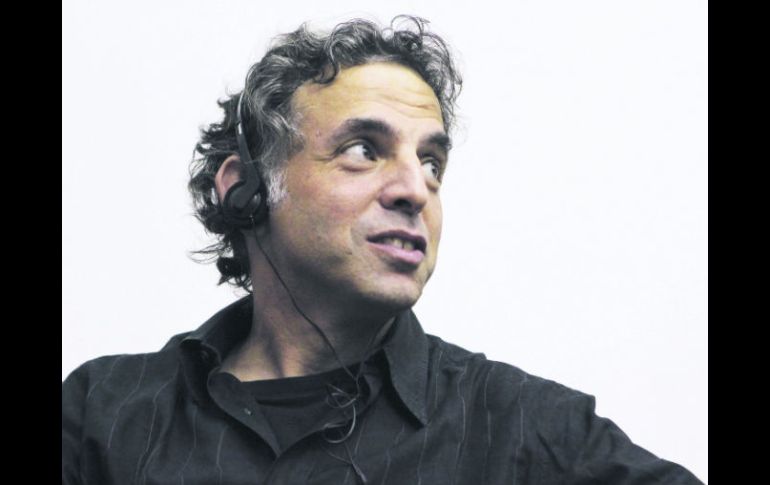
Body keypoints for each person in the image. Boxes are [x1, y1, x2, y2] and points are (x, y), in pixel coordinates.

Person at [62, 15, 704, 484]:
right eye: (364, 150)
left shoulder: (525, 427)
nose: (415, 189)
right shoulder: (102, 412)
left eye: (431, 163)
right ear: (246, 191)